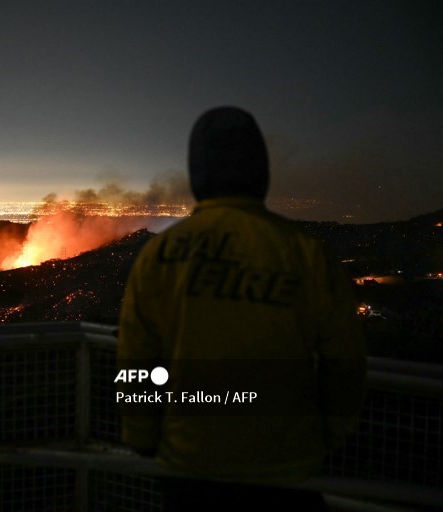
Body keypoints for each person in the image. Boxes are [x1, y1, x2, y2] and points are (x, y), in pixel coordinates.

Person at [117, 107, 365, 510]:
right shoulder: (306, 254)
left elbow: (136, 362)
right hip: (286, 468)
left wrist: (142, 438)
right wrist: (329, 434)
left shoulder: (158, 256)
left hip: (188, 464)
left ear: (198, 172)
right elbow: (345, 361)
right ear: (259, 169)